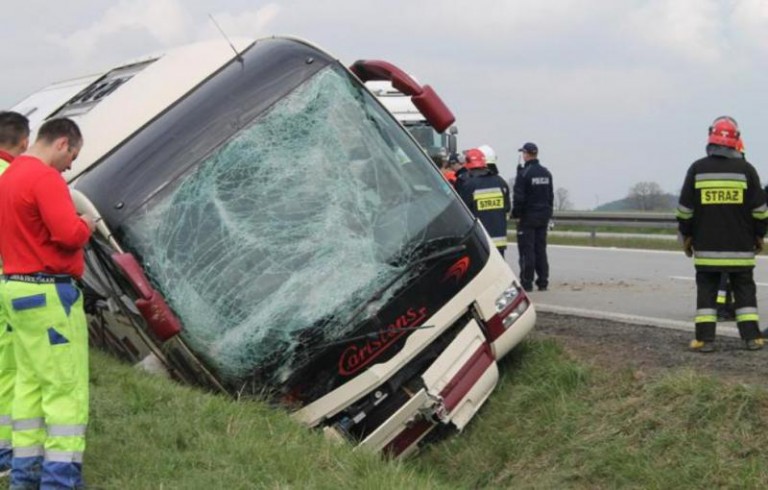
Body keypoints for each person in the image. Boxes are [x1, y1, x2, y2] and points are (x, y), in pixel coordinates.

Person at [0, 118, 94, 488]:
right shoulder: (44, 178)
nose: (70, 164)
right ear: (61, 142)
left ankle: (25, 476)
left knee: (30, 384)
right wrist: (85, 222)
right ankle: (60, 481)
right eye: (73, 154)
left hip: (14, 289)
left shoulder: (7, 177)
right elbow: (67, 234)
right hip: (49, 293)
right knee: (66, 390)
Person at [676, 116, 767, 353]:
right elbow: (760, 210)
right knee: (745, 292)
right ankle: (752, 338)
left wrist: (686, 236)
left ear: (711, 139)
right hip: (741, 248)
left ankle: (705, 340)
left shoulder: (697, 169)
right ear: (736, 142)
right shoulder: (747, 170)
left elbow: (685, 210)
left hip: (707, 248)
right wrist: (759, 236)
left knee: (707, 293)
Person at [0, 112, 30, 474]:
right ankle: (5, 455)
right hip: (8, 280)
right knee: (9, 370)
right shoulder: (13, 178)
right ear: (24, 142)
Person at [512, 142, 553, 292]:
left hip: (527, 218)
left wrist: (516, 215)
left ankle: (527, 282)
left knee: (526, 250)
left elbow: (519, 198)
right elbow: (550, 197)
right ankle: (543, 281)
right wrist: (548, 214)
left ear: (527, 154)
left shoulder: (524, 174)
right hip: (543, 217)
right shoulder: (546, 173)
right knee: (540, 249)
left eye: (523, 153)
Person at [456, 148, 511, 256]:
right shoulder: (501, 182)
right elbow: (507, 208)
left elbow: (463, 212)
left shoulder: (469, 185)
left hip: (480, 241)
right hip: (499, 240)